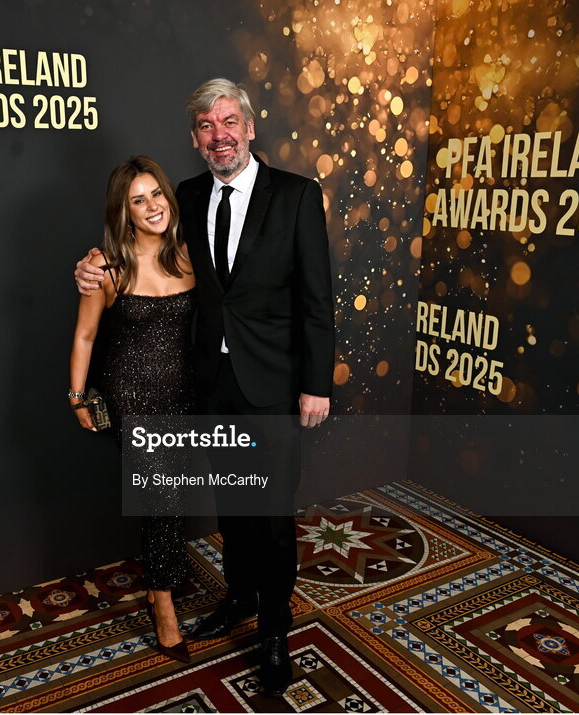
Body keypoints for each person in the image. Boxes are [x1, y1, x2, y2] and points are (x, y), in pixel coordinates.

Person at [75, 79, 333, 695]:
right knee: (234, 511)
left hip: (273, 386)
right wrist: (90, 264)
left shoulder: (297, 196)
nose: (219, 135)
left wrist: (316, 384)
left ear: (249, 126)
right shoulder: (185, 197)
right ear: (195, 139)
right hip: (209, 385)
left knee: (271, 517)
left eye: (228, 122)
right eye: (206, 127)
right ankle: (240, 598)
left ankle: (274, 631)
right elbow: (132, 242)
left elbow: (317, 301)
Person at [69, 155, 196, 664]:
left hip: (186, 396)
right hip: (132, 399)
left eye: (156, 194)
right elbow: (84, 334)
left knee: (176, 495)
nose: (151, 206)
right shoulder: (106, 266)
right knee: (162, 500)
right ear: (123, 211)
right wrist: (77, 395)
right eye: (137, 200)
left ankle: (161, 577)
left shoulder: (191, 255)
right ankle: (163, 606)